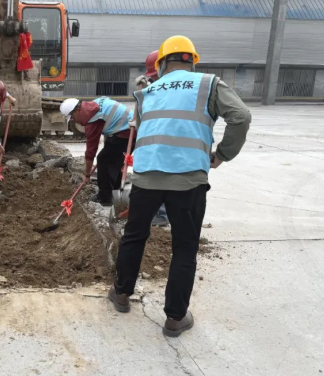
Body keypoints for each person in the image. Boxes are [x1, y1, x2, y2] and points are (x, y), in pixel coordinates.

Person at [108, 36, 252, 337]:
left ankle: (121, 294)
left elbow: (145, 129)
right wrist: (222, 155)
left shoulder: (147, 91)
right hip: (188, 179)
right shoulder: (208, 84)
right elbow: (241, 116)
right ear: (192, 61)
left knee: (134, 236)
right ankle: (175, 317)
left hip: (146, 177)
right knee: (184, 247)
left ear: (161, 63)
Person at [60, 97, 133, 207]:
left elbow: (91, 151)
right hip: (126, 129)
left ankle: (105, 198)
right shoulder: (95, 104)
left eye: (72, 118)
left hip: (128, 132)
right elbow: (110, 122)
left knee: (103, 159)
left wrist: (87, 174)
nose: (74, 121)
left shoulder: (93, 120)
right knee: (113, 160)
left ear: (77, 110)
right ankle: (115, 191)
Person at [133, 50, 170, 227]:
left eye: (154, 75)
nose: (153, 79)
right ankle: (161, 212)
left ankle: (161, 215)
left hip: (167, 141)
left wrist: (143, 92)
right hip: (159, 140)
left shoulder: (168, 90)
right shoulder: (160, 86)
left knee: (162, 177)